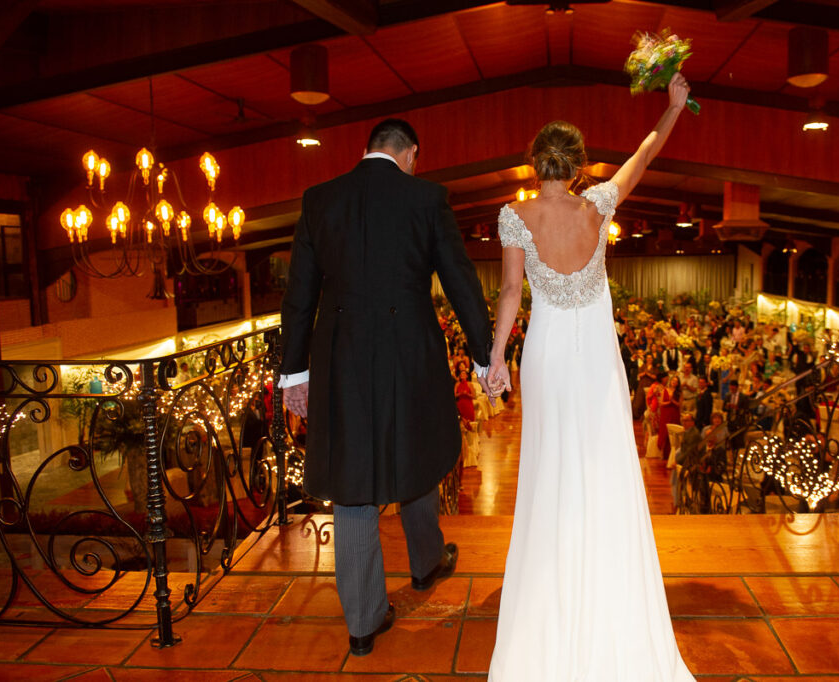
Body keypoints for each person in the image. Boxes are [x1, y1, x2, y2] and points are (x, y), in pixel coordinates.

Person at [484, 73, 694, 680]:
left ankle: (550, 585)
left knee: (550, 465)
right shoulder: (600, 204)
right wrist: (673, 108)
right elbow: (646, 151)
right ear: (577, 166)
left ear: (534, 164)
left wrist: (498, 356)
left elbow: (508, 293)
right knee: (602, 465)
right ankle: (606, 581)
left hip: (546, 355)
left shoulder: (513, 216)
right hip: (597, 358)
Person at [279, 119, 493, 657]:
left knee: (353, 481)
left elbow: (299, 296)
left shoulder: (319, 200)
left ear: (366, 150)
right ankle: (425, 565)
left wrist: (294, 374)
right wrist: (485, 353)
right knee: (415, 454)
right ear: (411, 154)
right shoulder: (428, 198)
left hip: (342, 358)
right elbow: (459, 279)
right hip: (409, 354)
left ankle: (364, 621)